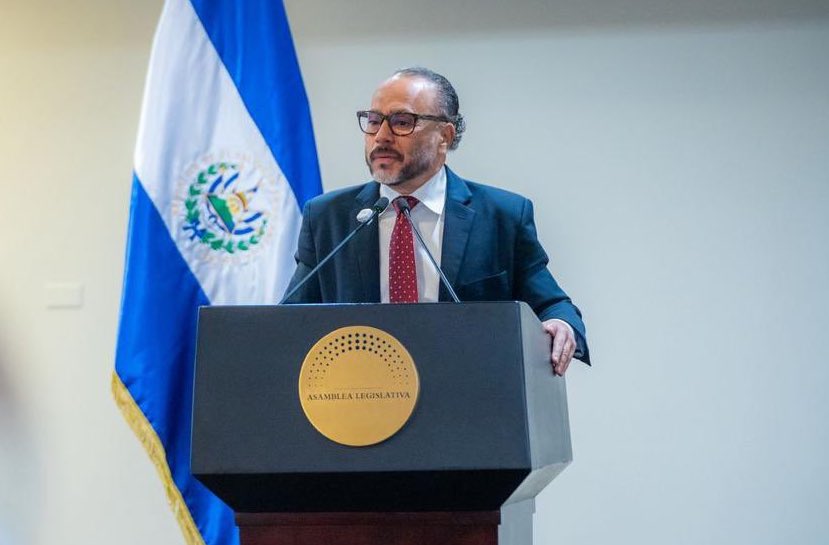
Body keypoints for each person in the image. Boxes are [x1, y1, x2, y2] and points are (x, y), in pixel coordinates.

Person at [284, 67, 589, 374]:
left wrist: (560, 324)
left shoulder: (502, 216)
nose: (381, 136)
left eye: (402, 122)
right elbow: (288, 321)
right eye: (374, 121)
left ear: (445, 136)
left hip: (466, 389)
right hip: (361, 391)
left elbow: (554, 306)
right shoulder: (327, 218)